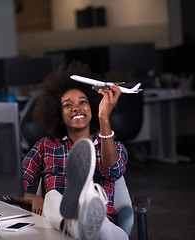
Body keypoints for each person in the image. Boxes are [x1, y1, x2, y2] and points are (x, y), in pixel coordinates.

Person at [14, 60, 129, 240]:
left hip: (103, 227)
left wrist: (104, 118)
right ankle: (73, 223)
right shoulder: (46, 147)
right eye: (67, 105)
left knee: (98, 219)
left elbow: (113, 172)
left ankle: (86, 209)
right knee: (52, 197)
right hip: (59, 225)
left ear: (92, 108)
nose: (76, 107)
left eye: (82, 102)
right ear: (59, 116)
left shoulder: (114, 147)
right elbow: (11, 186)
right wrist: (34, 199)